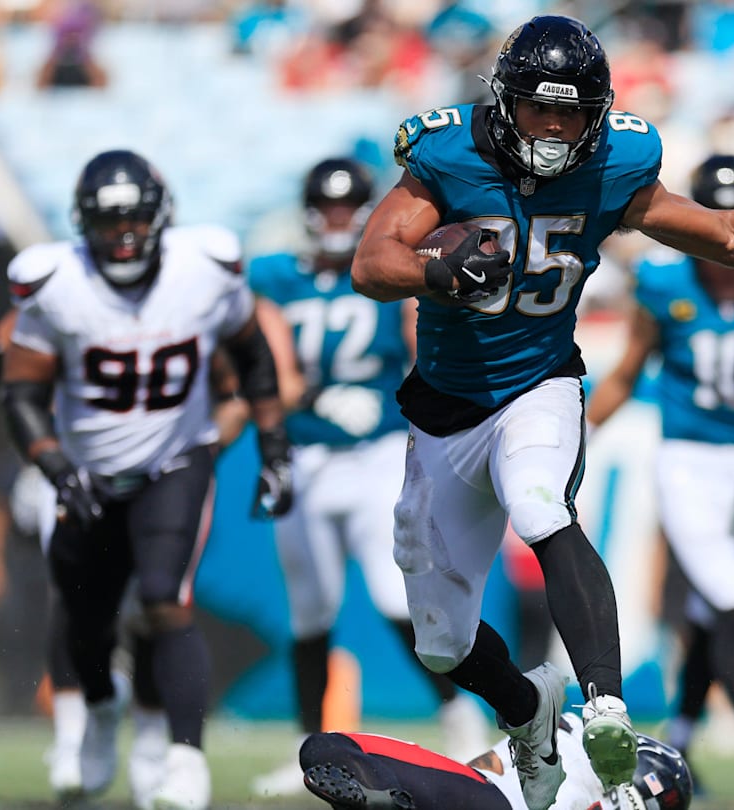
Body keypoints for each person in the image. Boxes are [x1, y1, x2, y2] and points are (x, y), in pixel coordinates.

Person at [350, 16, 734, 809]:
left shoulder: (619, 162)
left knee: (541, 504)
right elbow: (371, 262)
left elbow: (726, 234)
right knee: (442, 643)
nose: (555, 126)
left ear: (598, 111)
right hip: (444, 408)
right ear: (505, 102)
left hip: (538, 384)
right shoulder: (451, 153)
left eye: (573, 111)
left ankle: (604, 709)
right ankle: (529, 713)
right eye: (540, 108)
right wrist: (437, 270)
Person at [0, 149, 294, 810]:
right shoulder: (56, 283)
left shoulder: (204, 270)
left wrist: (274, 448)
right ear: (83, 225)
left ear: (161, 218)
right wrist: (54, 465)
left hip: (175, 459)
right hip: (87, 472)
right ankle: (103, 715)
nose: (123, 234)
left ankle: (186, 757)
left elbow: (252, 356)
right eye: (108, 223)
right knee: (85, 619)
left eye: (135, 219)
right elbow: (19, 393)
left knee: (165, 597)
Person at [0, 309, 250, 806]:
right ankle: (83, 723)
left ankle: (158, 749)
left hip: (164, 477)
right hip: (78, 472)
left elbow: (239, 391)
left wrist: (195, 456)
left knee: (159, 603)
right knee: (75, 600)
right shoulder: (59, 297)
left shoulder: (188, 294)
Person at [246, 157, 488, 797]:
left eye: (345, 207)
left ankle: (461, 715)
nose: (335, 219)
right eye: (326, 208)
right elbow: (260, 357)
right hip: (305, 457)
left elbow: (422, 349)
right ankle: (309, 753)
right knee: (310, 612)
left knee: (395, 594)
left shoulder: (380, 274)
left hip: (377, 452)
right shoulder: (273, 279)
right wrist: (309, 400)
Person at [586, 154, 734, 800]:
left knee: (711, 612)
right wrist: (575, 434)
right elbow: (626, 372)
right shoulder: (663, 284)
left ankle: (679, 736)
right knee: (730, 599)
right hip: (687, 460)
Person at [298, 714, 692, 810]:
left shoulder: (572, 741)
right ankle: (389, 799)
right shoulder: (573, 745)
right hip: (468, 790)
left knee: (325, 749)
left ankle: (390, 798)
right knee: (323, 749)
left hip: (466, 790)